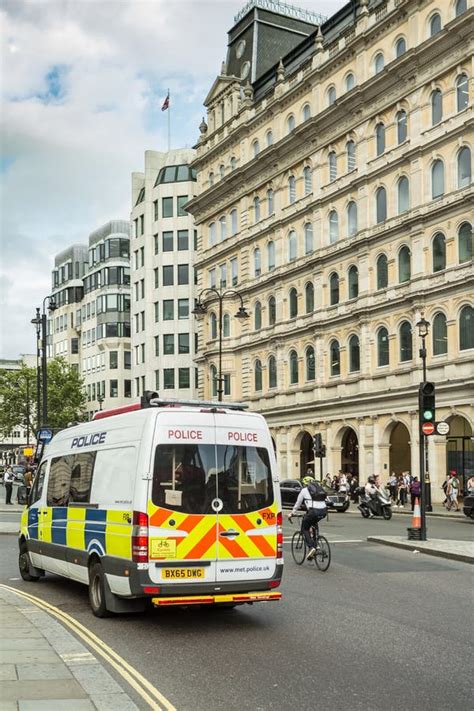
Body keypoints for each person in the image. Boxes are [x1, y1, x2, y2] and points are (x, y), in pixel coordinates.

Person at [289, 476, 327, 560]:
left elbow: (298, 503)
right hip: (323, 511)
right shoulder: (319, 489)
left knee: (304, 528)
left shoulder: (304, 490)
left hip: (313, 511)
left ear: (304, 484)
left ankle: (311, 547)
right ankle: (316, 544)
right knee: (313, 522)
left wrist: (292, 513)